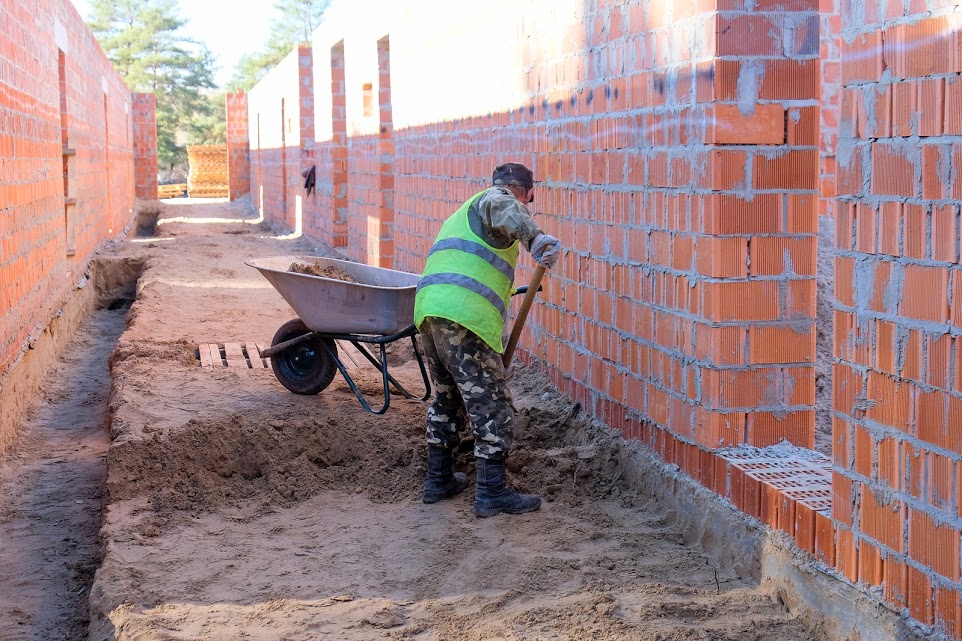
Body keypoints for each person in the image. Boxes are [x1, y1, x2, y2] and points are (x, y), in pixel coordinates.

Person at [413, 162, 562, 517]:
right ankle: (492, 492)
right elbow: (503, 204)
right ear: (527, 193)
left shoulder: (463, 212)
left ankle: (438, 479)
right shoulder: (495, 199)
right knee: (492, 405)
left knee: (447, 399)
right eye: (529, 201)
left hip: (431, 312)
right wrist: (535, 238)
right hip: (463, 318)